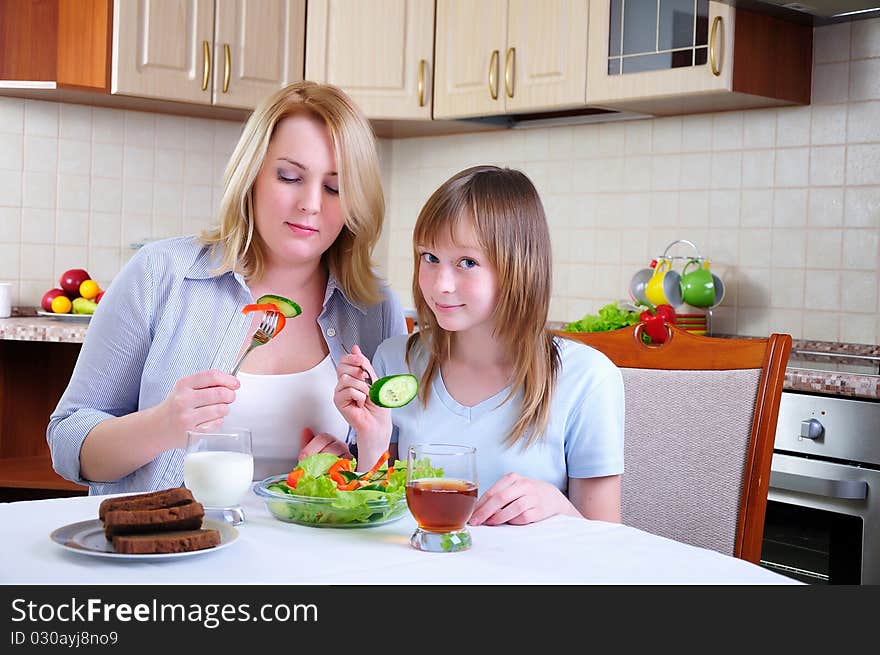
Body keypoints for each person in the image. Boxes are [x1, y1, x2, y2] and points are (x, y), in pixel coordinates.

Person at [48, 81, 407, 494]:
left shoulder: (374, 308)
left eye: (334, 188)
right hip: (170, 548)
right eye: (290, 177)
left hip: (311, 553)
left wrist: (345, 471)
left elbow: (391, 465)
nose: (310, 203)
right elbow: (67, 442)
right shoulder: (161, 274)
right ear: (251, 174)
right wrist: (162, 426)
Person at [334, 165, 624, 525]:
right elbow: (378, 518)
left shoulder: (587, 378)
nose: (441, 284)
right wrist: (371, 439)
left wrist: (557, 505)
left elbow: (606, 538)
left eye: (467, 263)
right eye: (430, 258)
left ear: (519, 267)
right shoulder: (396, 359)